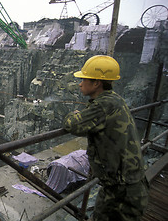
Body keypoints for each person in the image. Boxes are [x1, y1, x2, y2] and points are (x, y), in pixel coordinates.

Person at [63, 55, 148, 221]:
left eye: (84, 79)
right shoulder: (115, 99)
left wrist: (73, 113)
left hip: (122, 190)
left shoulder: (103, 105)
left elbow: (73, 124)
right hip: (127, 184)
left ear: (96, 83)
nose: (80, 84)